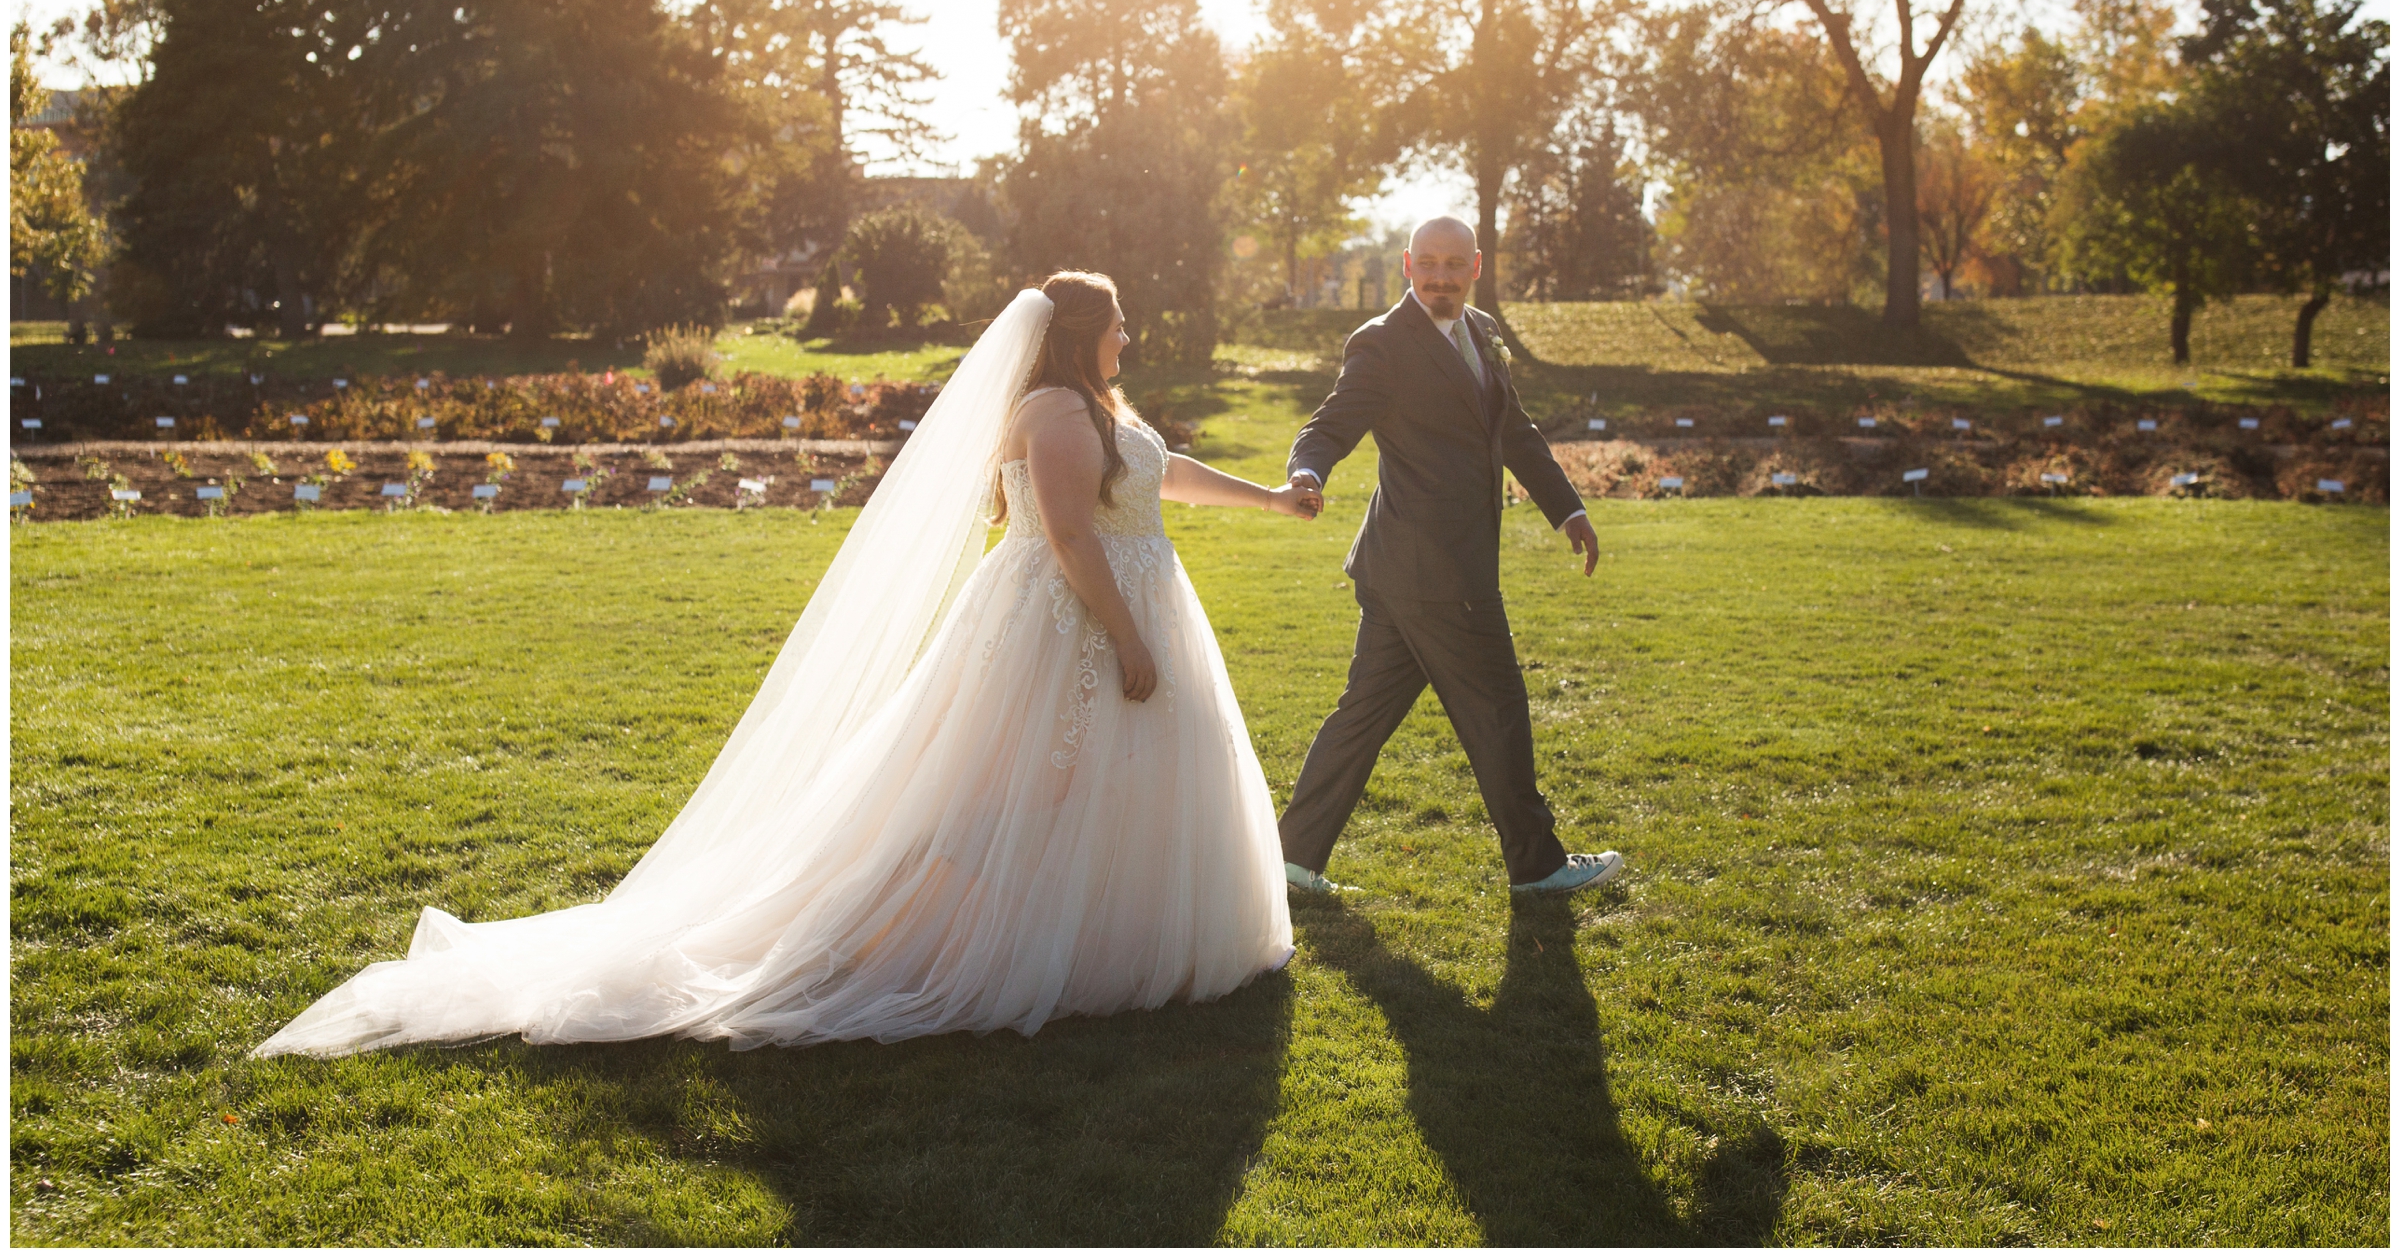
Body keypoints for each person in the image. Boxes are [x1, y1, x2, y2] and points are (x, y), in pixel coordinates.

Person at [253, 272, 1315, 1057]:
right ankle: (954, 933)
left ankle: (1105, 933)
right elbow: (1074, 535)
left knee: (1102, 787)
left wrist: (1268, 499)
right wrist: (1127, 636)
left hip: (1127, 607)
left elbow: (1161, 473)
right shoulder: (1050, 412)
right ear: (1087, 331)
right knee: (1016, 787)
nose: (1133, 334)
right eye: (1122, 320)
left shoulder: (1107, 410)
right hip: (1065, 622)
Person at [1280, 215, 1623, 897]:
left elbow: (1514, 430)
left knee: (1362, 715)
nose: (1439, 274)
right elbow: (1332, 422)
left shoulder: (1483, 331)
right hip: (1437, 572)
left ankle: (1289, 861)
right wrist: (1307, 470)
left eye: (1452, 263)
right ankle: (1538, 864)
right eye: (1427, 262)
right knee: (1499, 709)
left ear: (1476, 265)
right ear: (1406, 264)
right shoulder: (1381, 343)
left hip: (1401, 569)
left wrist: (1569, 507)